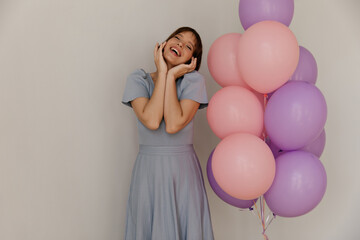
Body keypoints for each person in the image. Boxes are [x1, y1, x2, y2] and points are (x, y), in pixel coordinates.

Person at [122, 26, 214, 240]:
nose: (180, 45)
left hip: (182, 172)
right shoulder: (139, 79)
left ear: (193, 60)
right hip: (149, 171)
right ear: (165, 42)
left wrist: (172, 76)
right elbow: (152, 121)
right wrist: (163, 73)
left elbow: (173, 124)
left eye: (188, 46)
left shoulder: (194, 82)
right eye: (177, 38)